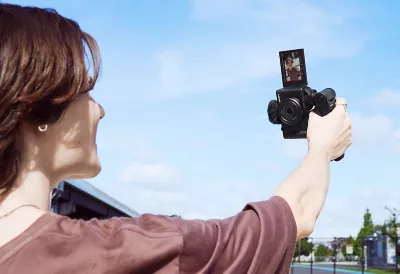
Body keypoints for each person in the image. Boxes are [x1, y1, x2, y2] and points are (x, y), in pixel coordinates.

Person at [0, 4, 352, 274]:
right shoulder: (120, 251)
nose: (99, 110)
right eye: (86, 92)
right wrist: (322, 148)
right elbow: (296, 215)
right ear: (35, 107)